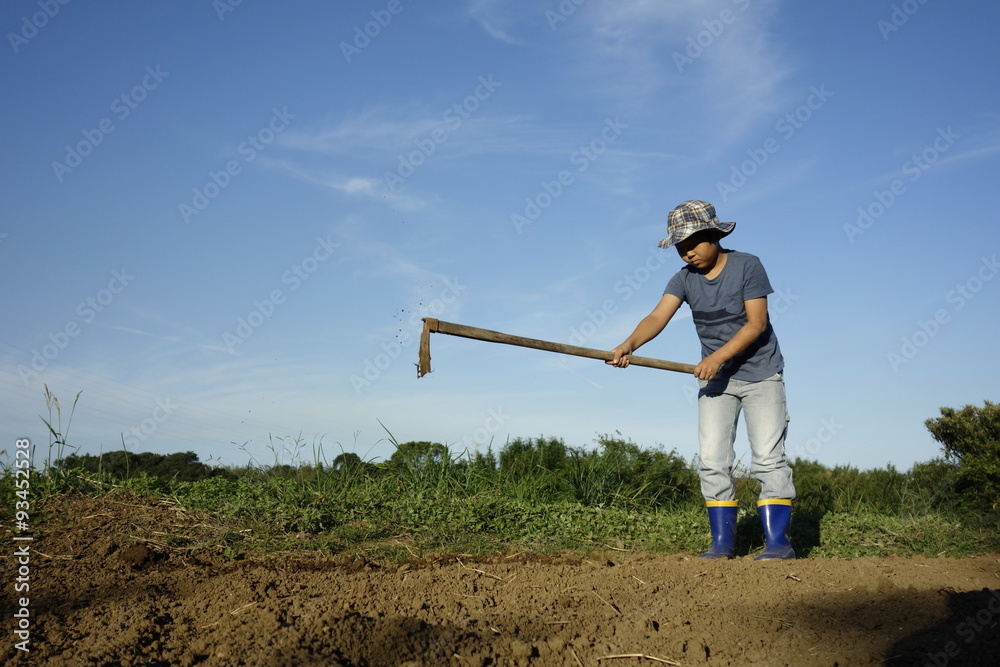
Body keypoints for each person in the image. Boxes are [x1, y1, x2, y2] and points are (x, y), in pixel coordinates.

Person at [607, 200, 795, 560]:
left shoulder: (747, 265)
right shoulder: (683, 279)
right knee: (711, 460)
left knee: (768, 459)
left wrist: (718, 357)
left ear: (714, 235)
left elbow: (756, 324)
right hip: (715, 382)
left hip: (761, 376)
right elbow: (657, 316)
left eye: (692, 243)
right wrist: (629, 344)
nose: (686, 252)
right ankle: (723, 543)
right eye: (680, 246)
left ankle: (778, 544)